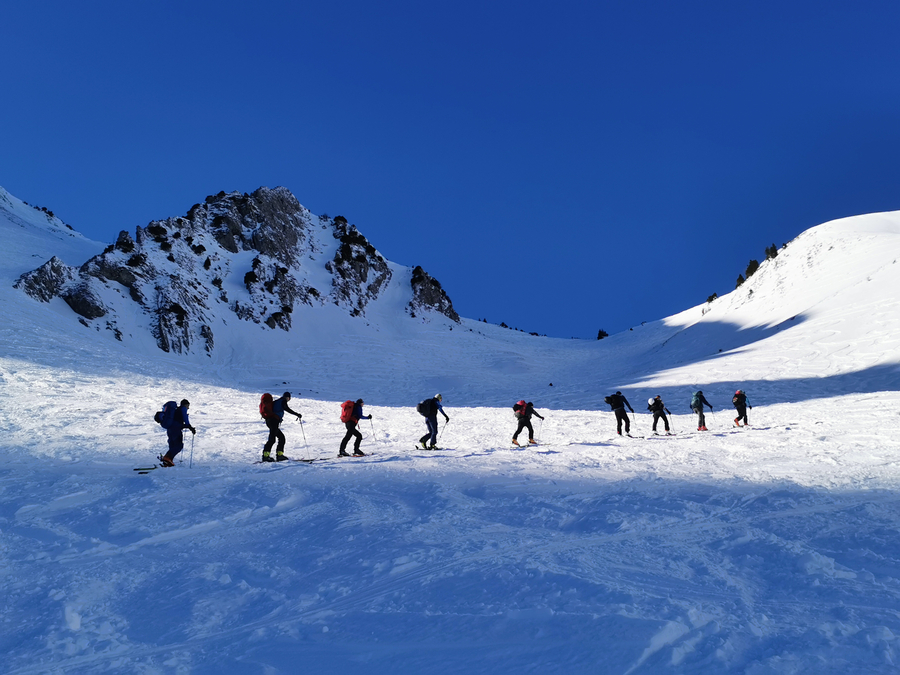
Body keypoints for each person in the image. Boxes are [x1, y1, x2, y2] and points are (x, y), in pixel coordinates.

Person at [263, 392, 302, 462]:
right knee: (273, 439)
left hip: (270, 421)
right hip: (273, 421)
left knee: (281, 438)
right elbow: (286, 408)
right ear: (288, 397)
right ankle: (267, 456)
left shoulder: (277, 401)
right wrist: (297, 414)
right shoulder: (283, 401)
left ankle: (278, 455)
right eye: (289, 398)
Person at [160, 399, 195, 467]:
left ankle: (168, 460)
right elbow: (185, 419)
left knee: (173, 444)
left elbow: (177, 421)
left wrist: (186, 427)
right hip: (176, 430)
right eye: (188, 406)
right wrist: (190, 427)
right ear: (185, 405)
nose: (188, 408)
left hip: (170, 429)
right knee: (179, 445)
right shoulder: (183, 409)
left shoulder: (176, 411)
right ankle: (167, 458)